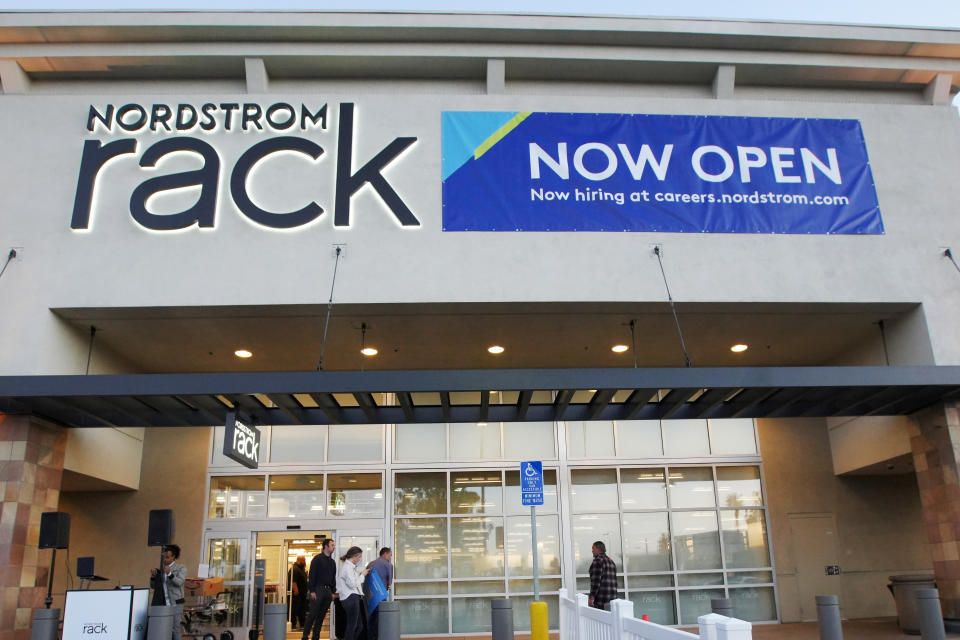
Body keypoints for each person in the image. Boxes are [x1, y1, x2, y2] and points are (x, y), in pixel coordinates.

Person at [302, 539, 337, 640]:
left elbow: (333, 578)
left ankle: (316, 636)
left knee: (321, 616)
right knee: (312, 614)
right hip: (318, 589)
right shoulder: (317, 559)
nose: (334, 547)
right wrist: (312, 590)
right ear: (326, 546)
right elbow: (312, 575)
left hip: (328, 591)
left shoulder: (332, 562)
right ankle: (305, 635)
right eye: (332, 545)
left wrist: (333, 592)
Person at [150, 544, 187, 640]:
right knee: (164, 627)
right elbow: (153, 586)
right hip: (164, 603)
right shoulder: (161, 570)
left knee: (175, 628)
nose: (165, 559)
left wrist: (170, 574)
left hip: (176, 602)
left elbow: (179, 582)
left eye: (167, 557)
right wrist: (153, 576)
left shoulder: (180, 568)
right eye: (164, 557)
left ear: (173, 557)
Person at [336, 547, 370, 640]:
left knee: (358, 626)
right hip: (351, 598)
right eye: (359, 557)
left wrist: (360, 575)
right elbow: (353, 584)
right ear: (355, 556)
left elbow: (352, 582)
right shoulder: (347, 568)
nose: (359, 559)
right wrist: (362, 575)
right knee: (353, 626)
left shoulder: (349, 567)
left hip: (351, 598)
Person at [364, 548, 392, 640]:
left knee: (370, 616)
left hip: (370, 595)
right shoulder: (387, 565)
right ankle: (376, 637)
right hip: (380, 595)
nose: (390, 557)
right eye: (390, 555)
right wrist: (387, 586)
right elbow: (390, 581)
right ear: (385, 554)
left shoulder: (370, 563)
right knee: (378, 618)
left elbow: (365, 577)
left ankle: (369, 637)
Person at [587, 540, 617, 611]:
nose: (592, 551)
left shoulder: (597, 561)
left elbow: (596, 582)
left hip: (601, 599)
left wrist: (591, 597)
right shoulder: (611, 561)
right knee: (609, 621)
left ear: (598, 549)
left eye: (593, 548)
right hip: (612, 599)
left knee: (599, 620)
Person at [290, 555, 309, 631]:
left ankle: (302, 624)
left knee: (302, 610)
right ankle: (293, 625)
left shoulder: (301, 569)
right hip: (297, 594)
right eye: (303, 561)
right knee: (295, 610)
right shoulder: (295, 569)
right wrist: (296, 591)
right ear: (299, 560)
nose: (304, 562)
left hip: (302, 594)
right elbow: (293, 581)